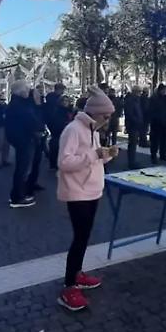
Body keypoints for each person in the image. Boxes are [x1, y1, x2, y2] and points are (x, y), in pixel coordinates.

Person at [56, 87, 117, 312]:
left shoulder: (92, 130)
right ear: (95, 113)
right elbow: (64, 162)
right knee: (79, 238)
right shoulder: (73, 130)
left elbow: (93, 160)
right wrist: (95, 155)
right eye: (107, 116)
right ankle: (69, 286)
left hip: (91, 190)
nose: (109, 120)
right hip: (77, 192)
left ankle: (77, 274)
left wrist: (106, 155)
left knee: (84, 236)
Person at [5, 80, 41, 208]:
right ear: (20, 92)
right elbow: (31, 121)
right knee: (23, 169)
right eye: (27, 89)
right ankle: (17, 197)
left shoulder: (18, 104)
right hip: (24, 140)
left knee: (23, 168)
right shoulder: (19, 105)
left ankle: (19, 194)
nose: (29, 91)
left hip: (23, 139)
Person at [45, 90, 72, 172]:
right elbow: (54, 122)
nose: (65, 102)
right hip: (58, 133)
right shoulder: (57, 111)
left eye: (67, 101)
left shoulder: (71, 110)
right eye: (63, 101)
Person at [148, 84, 166, 163]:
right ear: (160, 90)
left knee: (164, 140)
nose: (164, 92)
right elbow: (151, 110)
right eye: (163, 90)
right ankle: (153, 156)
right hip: (156, 123)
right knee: (155, 140)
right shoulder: (153, 98)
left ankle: (163, 154)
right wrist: (154, 119)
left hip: (164, 122)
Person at [123, 86, 146, 168]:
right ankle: (131, 162)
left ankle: (132, 161)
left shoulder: (136, 100)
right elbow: (129, 114)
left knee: (133, 143)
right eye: (139, 91)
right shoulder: (131, 100)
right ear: (135, 91)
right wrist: (137, 120)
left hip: (136, 124)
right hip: (132, 125)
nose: (140, 93)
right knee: (132, 144)